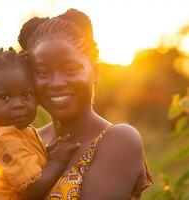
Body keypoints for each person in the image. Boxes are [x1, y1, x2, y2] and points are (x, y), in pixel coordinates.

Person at [18, 8, 152, 199]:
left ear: (95, 72)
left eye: (70, 69)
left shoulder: (119, 140)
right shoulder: (27, 142)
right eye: (42, 72)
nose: (56, 83)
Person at [0, 48, 79, 200]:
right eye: (4, 97)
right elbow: (31, 190)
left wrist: (49, 151)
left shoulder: (19, 131)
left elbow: (25, 155)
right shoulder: (2, 139)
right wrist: (57, 161)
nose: (18, 104)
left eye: (26, 94)